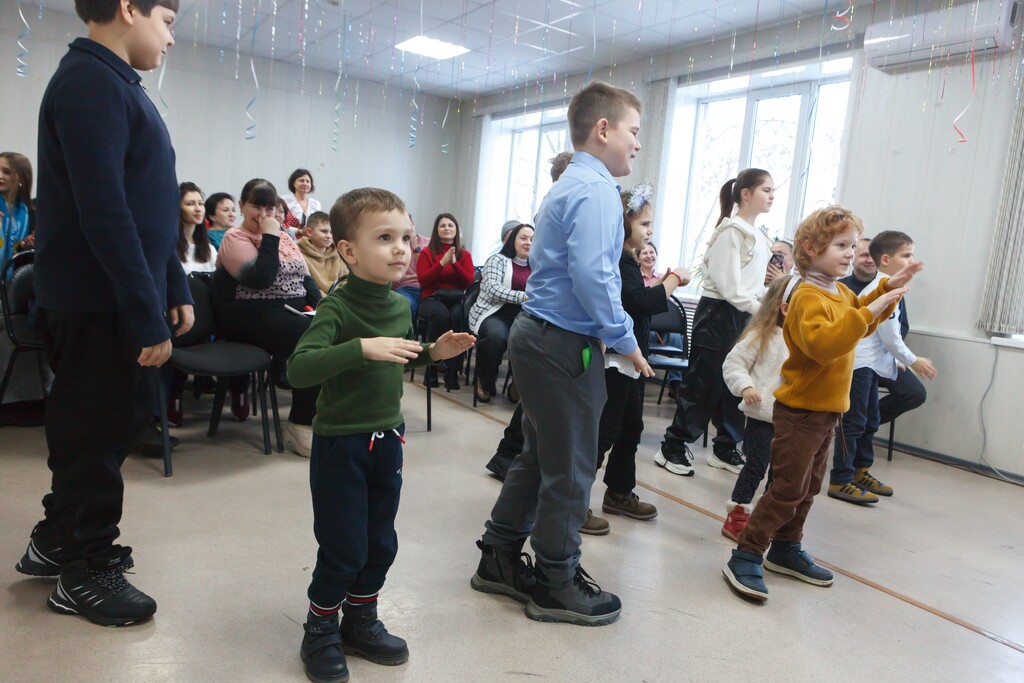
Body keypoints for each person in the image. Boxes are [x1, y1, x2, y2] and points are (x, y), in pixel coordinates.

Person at [15, 0, 193, 627]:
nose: (170, 38)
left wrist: (172, 281)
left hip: (112, 295)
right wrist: (143, 309)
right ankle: (83, 570)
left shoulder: (116, 83)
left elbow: (149, 204)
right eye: (167, 21)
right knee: (93, 436)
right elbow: (104, 210)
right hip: (97, 300)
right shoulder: (89, 81)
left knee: (109, 427)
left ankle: (57, 539)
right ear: (127, 8)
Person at [471, 81, 652, 627]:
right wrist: (625, 338)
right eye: (633, 131)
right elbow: (595, 277)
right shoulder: (596, 191)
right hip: (562, 343)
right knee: (571, 467)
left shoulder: (574, 182)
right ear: (603, 129)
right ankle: (556, 581)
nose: (637, 143)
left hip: (542, 335)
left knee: (539, 456)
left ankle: (500, 557)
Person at [287, 187, 474, 683]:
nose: (401, 250)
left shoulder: (396, 306)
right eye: (385, 238)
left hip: (387, 440)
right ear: (348, 251)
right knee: (343, 545)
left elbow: (399, 352)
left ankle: (360, 619)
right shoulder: (336, 307)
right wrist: (360, 348)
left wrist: (433, 352)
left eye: (406, 238)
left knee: (380, 541)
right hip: (342, 444)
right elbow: (299, 369)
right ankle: (319, 628)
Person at [722, 205, 922, 602]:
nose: (851, 254)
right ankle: (746, 553)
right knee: (786, 488)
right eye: (841, 246)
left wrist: (885, 290)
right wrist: (874, 307)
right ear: (811, 248)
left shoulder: (840, 291)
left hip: (826, 412)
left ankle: (786, 547)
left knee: (809, 487)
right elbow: (826, 345)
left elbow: (859, 317)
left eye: (853, 246)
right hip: (799, 413)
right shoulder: (807, 296)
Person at [655, 168, 775, 477]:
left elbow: (753, 286)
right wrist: (761, 310)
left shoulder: (760, 236)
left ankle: (725, 446)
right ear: (746, 193)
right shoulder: (732, 232)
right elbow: (729, 286)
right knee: (703, 383)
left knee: (736, 383)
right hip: (719, 314)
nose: (772, 196)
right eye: (766, 190)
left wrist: (767, 306)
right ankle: (672, 446)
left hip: (745, 315)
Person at [586, 184, 690, 535]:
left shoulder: (627, 259)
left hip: (630, 360)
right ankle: (575, 501)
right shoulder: (620, 259)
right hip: (617, 358)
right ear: (623, 222)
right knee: (604, 431)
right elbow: (641, 303)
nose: (649, 231)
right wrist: (674, 279)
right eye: (644, 224)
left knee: (631, 428)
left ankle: (618, 491)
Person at [212, 178, 321, 457]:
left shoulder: (285, 238)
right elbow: (262, 278)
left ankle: (320, 415)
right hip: (247, 315)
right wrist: (270, 236)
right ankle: (300, 423)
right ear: (241, 205)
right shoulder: (234, 238)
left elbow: (306, 279)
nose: (263, 215)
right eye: (256, 207)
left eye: (269, 208)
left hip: (286, 313)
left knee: (330, 327)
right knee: (310, 335)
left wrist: (325, 310)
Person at [483, 155, 574, 481]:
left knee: (540, 395)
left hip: (545, 313)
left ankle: (510, 456)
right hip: (547, 315)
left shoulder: (557, 208)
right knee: (541, 394)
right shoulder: (557, 210)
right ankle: (510, 456)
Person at [828, 230, 937, 505]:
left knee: (870, 421)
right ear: (886, 260)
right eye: (906, 255)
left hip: (873, 366)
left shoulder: (889, 286)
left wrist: (896, 360)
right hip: (859, 365)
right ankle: (840, 479)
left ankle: (860, 471)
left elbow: (887, 336)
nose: (911, 261)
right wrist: (913, 360)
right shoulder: (882, 289)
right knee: (854, 423)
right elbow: (889, 336)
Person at [720, 274, 793, 541]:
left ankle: (766, 519)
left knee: (781, 474)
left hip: (792, 419)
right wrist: (746, 386)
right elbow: (734, 364)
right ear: (785, 306)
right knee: (756, 466)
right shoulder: (761, 335)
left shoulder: (804, 338)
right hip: (763, 416)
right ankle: (737, 516)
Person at [840, 236, 927, 428]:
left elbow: (901, 327)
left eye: (873, 256)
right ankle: (856, 425)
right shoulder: (842, 288)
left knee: (915, 393)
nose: (870, 260)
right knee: (857, 411)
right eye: (864, 255)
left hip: (885, 356)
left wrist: (895, 357)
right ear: (853, 258)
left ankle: (866, 424)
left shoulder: (890, 285)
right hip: (854, 360)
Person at [468, 222, 533, 403]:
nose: (528, 242)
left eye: (532, 239)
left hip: (524, 317)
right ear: (513, 240)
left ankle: (518, 384)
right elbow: (493, 289)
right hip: (494, 313)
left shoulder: (538, 266)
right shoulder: (497, 260)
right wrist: (525, 297)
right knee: (496, 337)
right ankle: (485, 380)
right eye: (523, 238)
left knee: (534, 339)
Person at [417, 212, 474, 390]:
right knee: (440, 314)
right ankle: (431, 369)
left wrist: (455, 263)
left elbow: (468, 282)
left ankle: (453, 371)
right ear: (436, 230)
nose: (447, 228)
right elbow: (423, 281)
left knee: (458, 316)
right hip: (431, 298)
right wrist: (441, 263)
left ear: (456, 230)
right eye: (442, 225)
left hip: (456, 299)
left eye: (450, 225)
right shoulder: (427, 252)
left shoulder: (464, 254)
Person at [297, 211, 348, 296]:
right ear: (309, 232)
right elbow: (306, 288)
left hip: (339, 300)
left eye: (331, 232)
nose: (329, 236)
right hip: (317, 301)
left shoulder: (337, 255)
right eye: (324, 231)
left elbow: (346, 281)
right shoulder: (298, 254)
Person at [391, 213, 430, 320]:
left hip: (429, 289)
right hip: (406, 288)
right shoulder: (396, 246)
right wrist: (409, 277)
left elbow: (427, 270)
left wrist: (415, 246)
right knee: (402, 305)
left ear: (413, 224)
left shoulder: (429, 243)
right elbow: (394, 276)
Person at [0, 152, 36, 267]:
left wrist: (24, 245)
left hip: (12, 274)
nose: (0, 175)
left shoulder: (29, 213)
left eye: (7, 172)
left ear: (22, 177)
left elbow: (13, 249)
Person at [176, 182, 216, 275]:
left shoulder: (210, 250)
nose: (198, 209)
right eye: (190, 204)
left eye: (201, 203)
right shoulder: (170, 247)